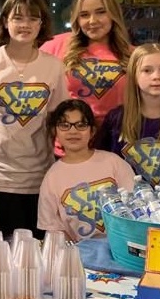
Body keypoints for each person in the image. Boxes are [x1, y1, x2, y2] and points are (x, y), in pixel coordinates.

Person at [0, 0, 67, 238]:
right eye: (18, 18)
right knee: (5, 250)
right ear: (5, 21)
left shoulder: (54, 66)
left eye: (32, 18)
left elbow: (58, 118)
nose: (25, 25)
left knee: (35, 252)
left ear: (41, 24)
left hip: (40, 175)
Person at [37, 99, 135, 241]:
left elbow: (136, 207)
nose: (73, 131)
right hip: (80, 256)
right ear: (55, 131)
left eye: (81, 125)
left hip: (123, 247)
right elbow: (55, 232)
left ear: (92, 131)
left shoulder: (114, 162)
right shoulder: (52, 177)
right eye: (65, 125)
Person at [40, 0, 132, 130]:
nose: (92, 21)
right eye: (84, 15)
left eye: (101, 12)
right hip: (68, 142)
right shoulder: (56, 45)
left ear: (113, 14)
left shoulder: (132, 55)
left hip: (114, 141)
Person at [95, 43, 160, 186]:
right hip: (128, 204)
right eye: (147, 70)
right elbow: (100, 165)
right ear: (134, 75)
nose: (156, 76)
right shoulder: (116, 118)